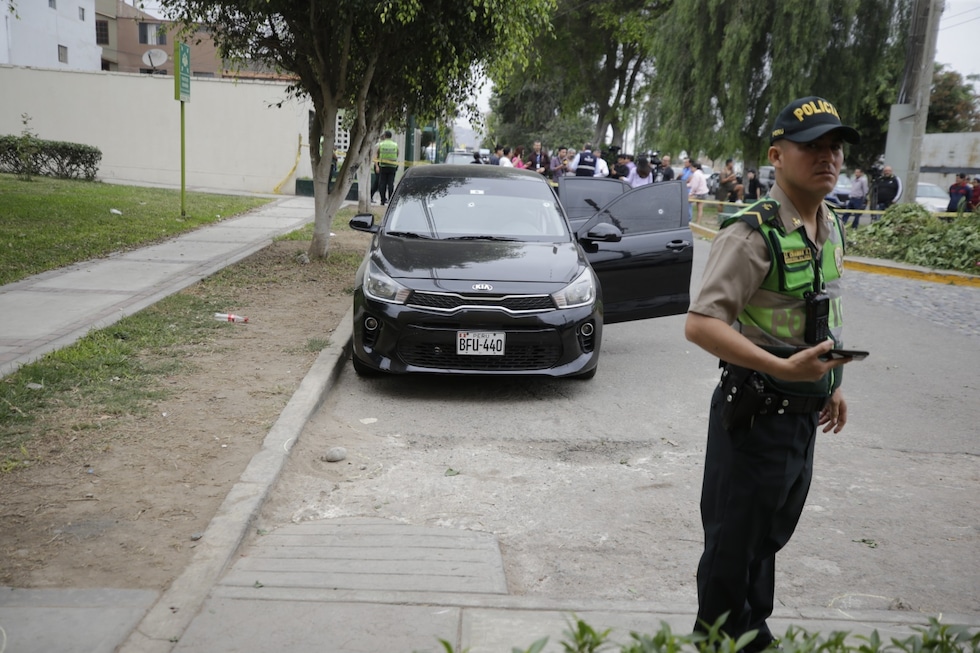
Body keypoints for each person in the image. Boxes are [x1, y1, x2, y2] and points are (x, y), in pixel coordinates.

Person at [685, 96, 858, 652]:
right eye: (812, 147)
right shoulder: (751, 232)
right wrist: (782, 366)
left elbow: (818, 310)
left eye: (834, 147)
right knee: (733, 546)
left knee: (766, 540)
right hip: (755, 414)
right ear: (777, 156)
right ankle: (715, 642)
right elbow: (701, 324)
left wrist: (832, 384)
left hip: (803, 418)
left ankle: (751, 634)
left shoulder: (828, 222)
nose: (828, 158)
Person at [376, 130, 398, 206]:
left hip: (383, 166)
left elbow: (378, 154)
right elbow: (397, 153)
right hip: (392, 166)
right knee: (391, 184)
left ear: (385, 136)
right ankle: (390, 200)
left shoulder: (381, 144)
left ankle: (382, 200)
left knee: (382, 184)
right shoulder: (395, 145)